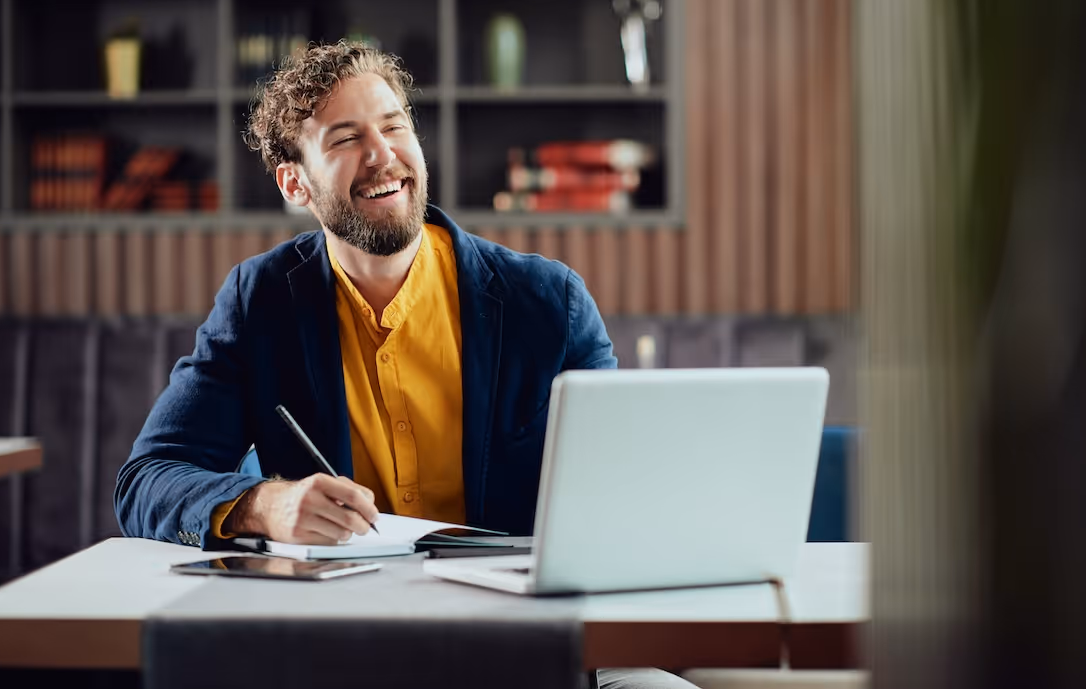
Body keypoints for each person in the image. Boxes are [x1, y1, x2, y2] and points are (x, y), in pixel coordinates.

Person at [115, 41, 696, 689]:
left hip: (531, 638)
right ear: (294, 181)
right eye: (346, 138)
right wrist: (263, 504)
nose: (382, 154)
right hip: (345, 644)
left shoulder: (546, 301)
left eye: (394, 125)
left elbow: (623, 495)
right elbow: (146, 480)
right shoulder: (261, 301)